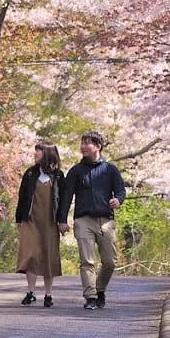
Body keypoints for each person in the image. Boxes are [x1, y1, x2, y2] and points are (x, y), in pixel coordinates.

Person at [56, 130, 126, 310]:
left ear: (98, 147)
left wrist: (118, 200)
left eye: (87, 143)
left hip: (106, 220)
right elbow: (66, 196)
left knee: (110, 262)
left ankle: (100, 289)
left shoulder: (110, 169)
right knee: (87, 261)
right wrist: (62, 220)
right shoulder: (76, 171)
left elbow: (120, 190)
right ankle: (91, 296)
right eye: (82, 143)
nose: (83, 147)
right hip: (83, 220)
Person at [15, 141, 64, 308]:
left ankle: (48, 294)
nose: (35, 154)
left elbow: (63, 201)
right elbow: (22, 197)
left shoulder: (58, 175)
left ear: (48, 154)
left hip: (50, 222)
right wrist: (19, 219)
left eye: (38, 151)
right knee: (30, 255)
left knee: (48, 256)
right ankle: (30, 292)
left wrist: (62, 221)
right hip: (30, 221)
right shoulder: (30, 174)